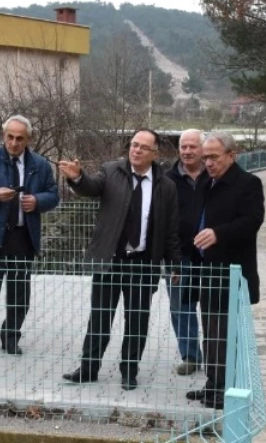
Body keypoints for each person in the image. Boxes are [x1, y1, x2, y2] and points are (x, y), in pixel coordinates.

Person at [58, 129, 181, 390]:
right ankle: (88, 368)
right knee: (100, 317)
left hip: (143, 263)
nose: (136, 150)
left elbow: (171, 230)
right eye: (134, 144)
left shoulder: (166, 185)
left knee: (137, 320)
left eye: (143, 147)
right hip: (110, 260)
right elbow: (91, 187)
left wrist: (174, 263)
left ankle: (129, 371)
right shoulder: (111, 171)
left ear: (155, 154)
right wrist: (78, 177)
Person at [0, 115, 59, 356]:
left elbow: (53, 194)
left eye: (20, 138)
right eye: (10, 137)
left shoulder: (40, 164)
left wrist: (37, 201)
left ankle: (11, 336)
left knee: (19, 293)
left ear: (28, 140)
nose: (14, 143)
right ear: (3, 135)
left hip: (22, 236)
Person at [188, 132, 265, 409]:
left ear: (231, 156)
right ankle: (213, 384)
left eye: (214, 157)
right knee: (210, 333)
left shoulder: (248, 184)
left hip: (233, 274)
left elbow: (252, 221)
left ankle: (225, 390)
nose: (208, 163)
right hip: (206, 272)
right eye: (205, 157)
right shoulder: (205, 184)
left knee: (226, 335)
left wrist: (218, 234)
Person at [164, 129, 207, 375]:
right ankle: (190, 356)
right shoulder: (168, 179)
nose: (187, 151)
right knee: (181, 307)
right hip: (179, 256)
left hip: (210, 256)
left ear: (203, 149)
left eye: (193, 146)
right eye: (183, 146)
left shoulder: (213, 177)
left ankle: (216, 355)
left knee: (212, 306)